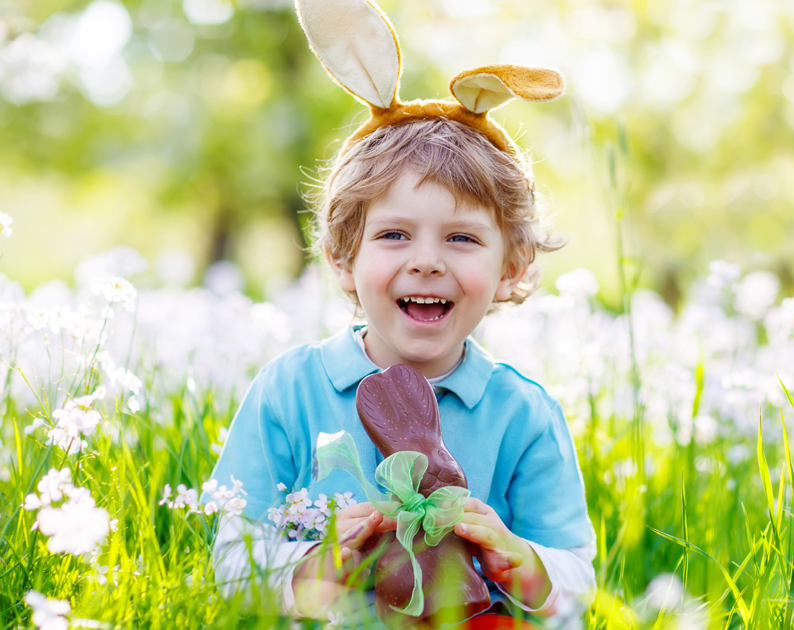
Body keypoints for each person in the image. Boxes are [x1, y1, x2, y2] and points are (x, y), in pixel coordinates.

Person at [206, 114, 595, 628]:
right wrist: (308, 570)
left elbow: (576, 578)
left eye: (461, 238)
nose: (427, 261)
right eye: (394, 234)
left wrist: (523, 563)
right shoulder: (289, 391)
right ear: (344, 258)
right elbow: (231, 560)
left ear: (511, 268)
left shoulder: (523, 413)